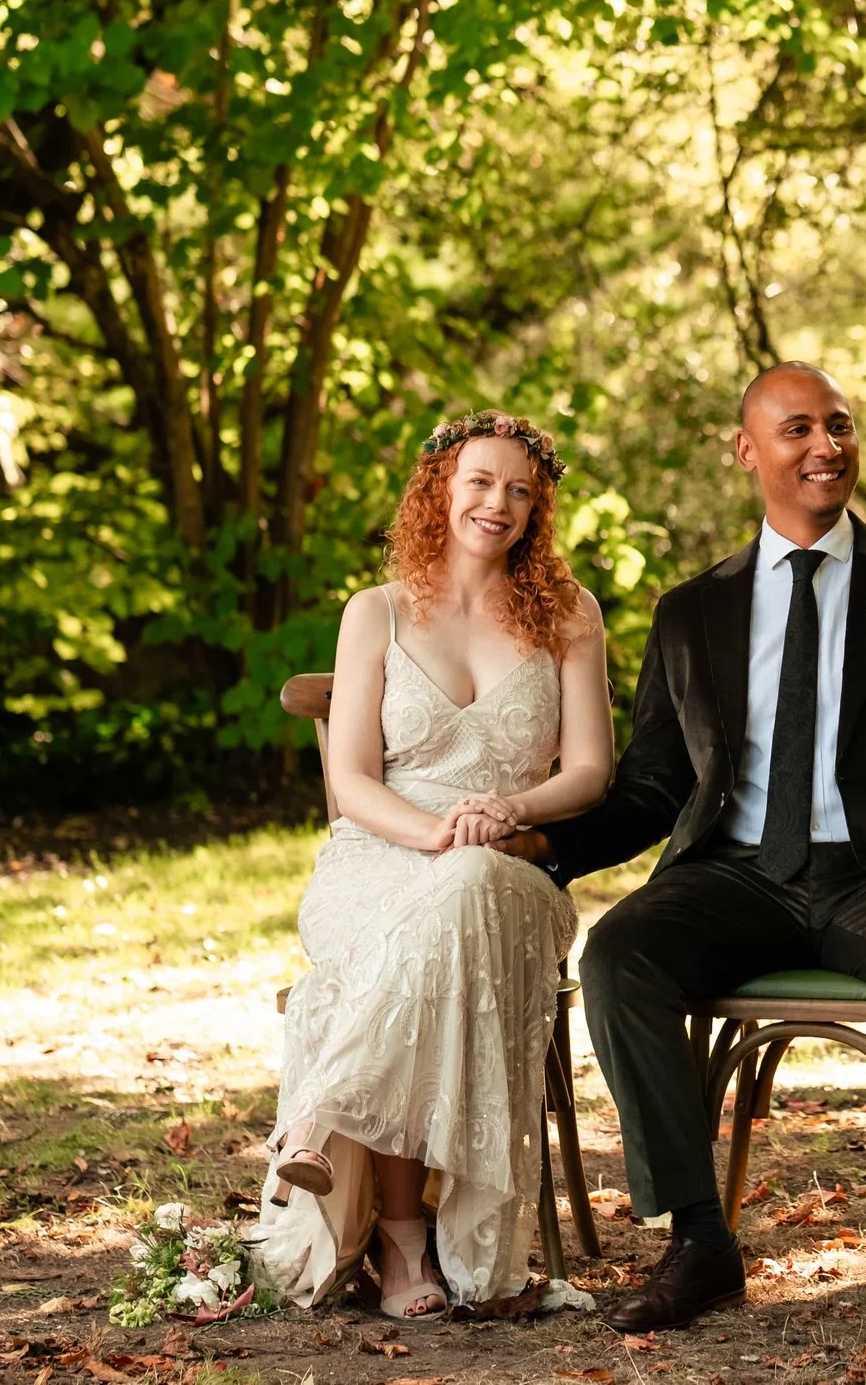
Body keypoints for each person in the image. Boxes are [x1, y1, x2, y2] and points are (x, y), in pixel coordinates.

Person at [504, 362, 866, 1344]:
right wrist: (550, 844)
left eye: (838, 424)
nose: (824, 444)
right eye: (797, 428)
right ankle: (700, 1239)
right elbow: (659, 784)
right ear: (749, 451)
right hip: (734, 876)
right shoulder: (691, 611)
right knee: (623, 955)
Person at [251, 411, 614, 1318]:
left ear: (539, 507)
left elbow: (591, 770)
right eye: (481, 482)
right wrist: (431, 833)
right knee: (443, 899)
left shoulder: (569, 612)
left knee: (468, 886)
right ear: (440, 490)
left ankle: (326, 1121)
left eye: (522, 490)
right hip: (378, 858)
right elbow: (351, 778)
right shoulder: (374, 612)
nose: (500, 504)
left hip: (509, 867)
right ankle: (405, 1242)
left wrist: (510, 810)